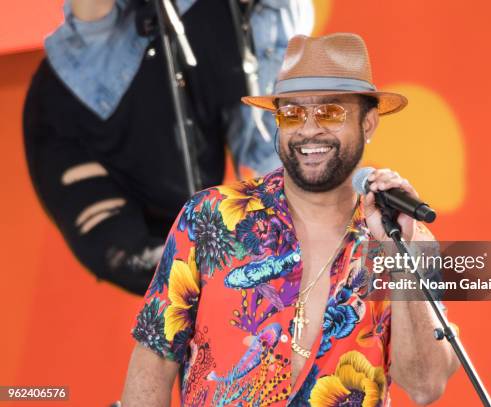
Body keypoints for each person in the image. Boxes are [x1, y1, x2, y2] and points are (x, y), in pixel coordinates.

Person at [122, 33, 459, 406]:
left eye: (330, 112)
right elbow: (153, 360)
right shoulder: (211, 216)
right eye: (293, 112)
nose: (309, 129)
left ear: (368, 124)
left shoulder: (408, 239)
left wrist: (401, 255)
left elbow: (426, 386)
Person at [22, 0, 314, 295]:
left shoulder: (283, 11)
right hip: (83, 129)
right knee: (134, 259)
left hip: (176, 169)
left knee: (209, 280)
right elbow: (89, 23)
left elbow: (263, 139)